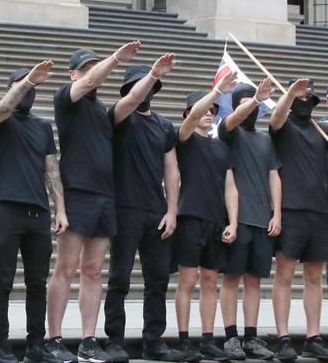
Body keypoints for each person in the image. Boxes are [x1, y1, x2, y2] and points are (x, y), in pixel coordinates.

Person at [45, 41, 140, 363]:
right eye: (85, 68)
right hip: (78, 193)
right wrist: (115, 56)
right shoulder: (66, 98)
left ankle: (88, 340)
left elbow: (132, 100)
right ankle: (54, 338)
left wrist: (153, 73)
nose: (90, 73)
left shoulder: (103, 110)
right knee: (66, 268)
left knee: (94, 270)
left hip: (105, 195)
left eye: (93, 67)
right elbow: (86, 83)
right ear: (72, 73)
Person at [0, 62, 68, 363]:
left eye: (33, 87)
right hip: (7, 210)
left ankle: (36, 344)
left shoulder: (43, 126)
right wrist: (27, 79)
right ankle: (1, 345)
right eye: (22, 85)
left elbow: (51, 169)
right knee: (3, 280)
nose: (28, 90)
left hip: (38, 213)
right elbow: (2, 107)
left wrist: (60, 209)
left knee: (37, 283)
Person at [104, 57, 185, 362]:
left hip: (157, 211)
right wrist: (151, 74)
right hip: (125, 209)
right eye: (139, 87)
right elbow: (130, 102)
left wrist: (172, 210)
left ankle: (154, 340)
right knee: (119, 278)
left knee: (158, 280)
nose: (144, 92)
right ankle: (114, 340)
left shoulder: (164, 126)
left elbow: (172, 169)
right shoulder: (120, 116)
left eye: (150, 86)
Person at [173, 79, 239, 362]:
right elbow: (188, 124)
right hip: (190, 217)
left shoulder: (222, 147)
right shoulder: (185, 138)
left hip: (215, 222)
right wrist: (215, 92)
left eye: (213, 109)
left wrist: (233, 222)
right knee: (187, 280)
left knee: (210, 280)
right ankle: (185, 341)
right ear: (189, 113)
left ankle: (208, 340)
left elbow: (230, 187)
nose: (209, 112)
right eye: (203, 109)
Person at [217, 80, 280, 360]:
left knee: (254, 281)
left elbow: (274, 176)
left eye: (255, 103)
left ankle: (252, 338)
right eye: (245, 103)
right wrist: (255, 99)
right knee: (231, 279)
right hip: (237, 220)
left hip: (261, 220)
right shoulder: (229, 132)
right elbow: (233, 119)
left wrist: (276, 213)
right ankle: (231, 337)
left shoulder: (266, 140)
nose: (251, 109)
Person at [269, 78, 328, 362]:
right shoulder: (283, 126)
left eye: (309, 100)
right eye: (300, 99)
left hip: (319, 211)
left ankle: (313, 337)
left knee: (315, 276)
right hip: (290, 209)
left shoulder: (322, 130)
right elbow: (277, 117)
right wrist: (290, 94)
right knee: (284, 275)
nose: (305, 104)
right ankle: (282, 338)